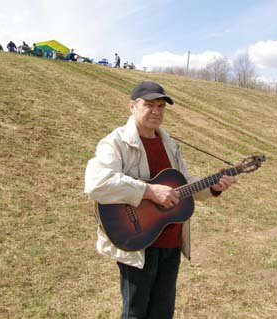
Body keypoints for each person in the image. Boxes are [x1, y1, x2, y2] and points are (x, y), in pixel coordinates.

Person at [84, 81, 236, 318]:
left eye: (161, 106)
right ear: (132, 106)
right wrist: (149, 191)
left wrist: (213, 186)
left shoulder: (170, 144)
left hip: (170, 241)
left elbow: (182, 185)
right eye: (149, 105)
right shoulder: (116, 142)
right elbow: (97, 183)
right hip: (138, 241)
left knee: (163, 312)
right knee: (135, 312)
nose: (156, 111)